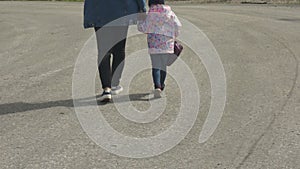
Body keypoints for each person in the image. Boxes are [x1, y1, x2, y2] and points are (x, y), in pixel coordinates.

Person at [84, 0, 146, 102]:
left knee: (103, 51)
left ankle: (106, 89)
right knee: (119, 49)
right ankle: (114, 83)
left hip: (99, 12)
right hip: (120, 11)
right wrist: (142, 8)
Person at [137, 0, 181, 98]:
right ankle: (162, 85)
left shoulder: (150, 14)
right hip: (167, 43)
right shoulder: (169, 12)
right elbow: (177, 25)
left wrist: (139, 21)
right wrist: (174, 35)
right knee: (163, 66)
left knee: (155, 66)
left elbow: (144, 28)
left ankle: (157, 86)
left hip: (154, 43)